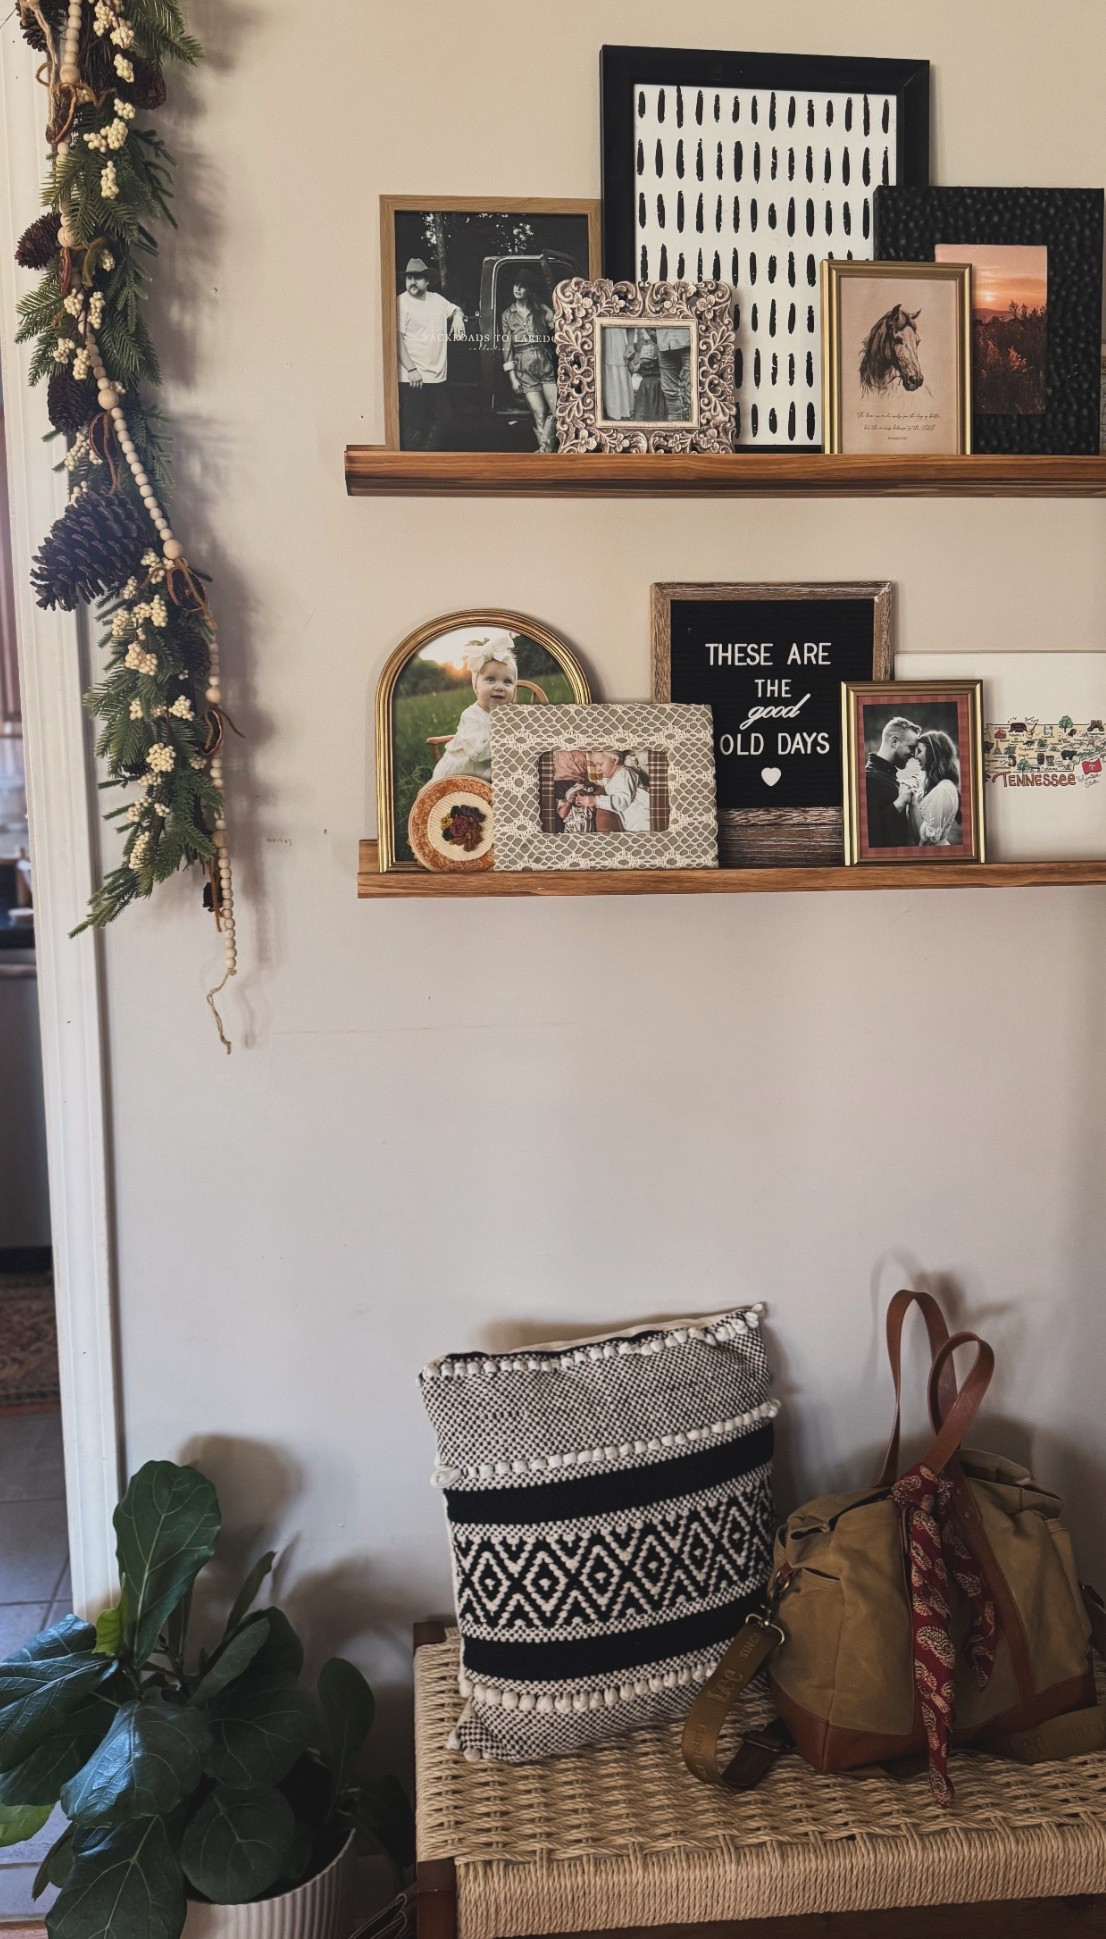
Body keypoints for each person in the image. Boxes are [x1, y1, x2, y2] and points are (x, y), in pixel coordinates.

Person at [397, 257, 466, 451]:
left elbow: (455, 309)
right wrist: (411, 369)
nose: (412, 282)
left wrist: (458, 317)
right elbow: (397, 339)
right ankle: (413, 464)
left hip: (435, 376)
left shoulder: (437, 300)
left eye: (417, 278)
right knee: (414, 425)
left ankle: (425, 457)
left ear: (427, 281)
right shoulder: (401, 302)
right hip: (413, 376)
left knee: (444, 418)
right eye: (409, 278)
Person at [431, 634, 518, 783]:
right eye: (490, 679)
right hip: (458, 776)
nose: (499, 687)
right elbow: (478, 753)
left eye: (507, 682)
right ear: (476, 687)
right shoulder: (472, 716)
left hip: (485, 774)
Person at [501, 275, 558, 452]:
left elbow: (559, 328)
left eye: (523, 286)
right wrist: (513, 378)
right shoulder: (507, 314)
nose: (517, 289)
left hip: (545, 363)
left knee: (558, 412)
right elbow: (506, 347)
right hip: (524, 367)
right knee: (539, 415)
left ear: (530, 290)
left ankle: (556, 449)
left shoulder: (540, 309)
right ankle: (545, 452)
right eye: (515, 284)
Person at [559, 750, 652, 832]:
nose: (598, 770)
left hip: (643, 815)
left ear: (614, 760)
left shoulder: (625, 773)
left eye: (600, 764)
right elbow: (603, 785)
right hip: (630, 822)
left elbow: (622, 801)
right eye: (596, 765)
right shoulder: (607, 779)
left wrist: (596, 800)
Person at [864, 715, 921, 848]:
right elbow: (870, 835)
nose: (914, 755)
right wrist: (900, 802)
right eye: (911, 747)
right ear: (894, 742)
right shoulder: (869, 779)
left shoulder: (886, 776)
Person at [908, 730, 962, 846]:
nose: (915, 756)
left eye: (920, 751)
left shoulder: (943, 790)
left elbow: (926, 840)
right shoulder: (930, 783)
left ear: (933, 754)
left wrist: (913, 803)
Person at [626, 330, 664, 420]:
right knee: (643, 406)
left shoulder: (659, 366)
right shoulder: (641, 365)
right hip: (644, 390)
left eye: (649, 363)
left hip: (657, 389)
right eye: (645, 363)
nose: (647, 366)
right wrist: (630, 361)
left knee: (656, 406)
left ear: (655, 361)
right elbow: (633, 369)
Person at [656, 326, 692, 421]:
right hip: (664, 342)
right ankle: (674, 427)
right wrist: (655, 334)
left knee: (693, 389)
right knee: (669, 391)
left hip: (689, 341)